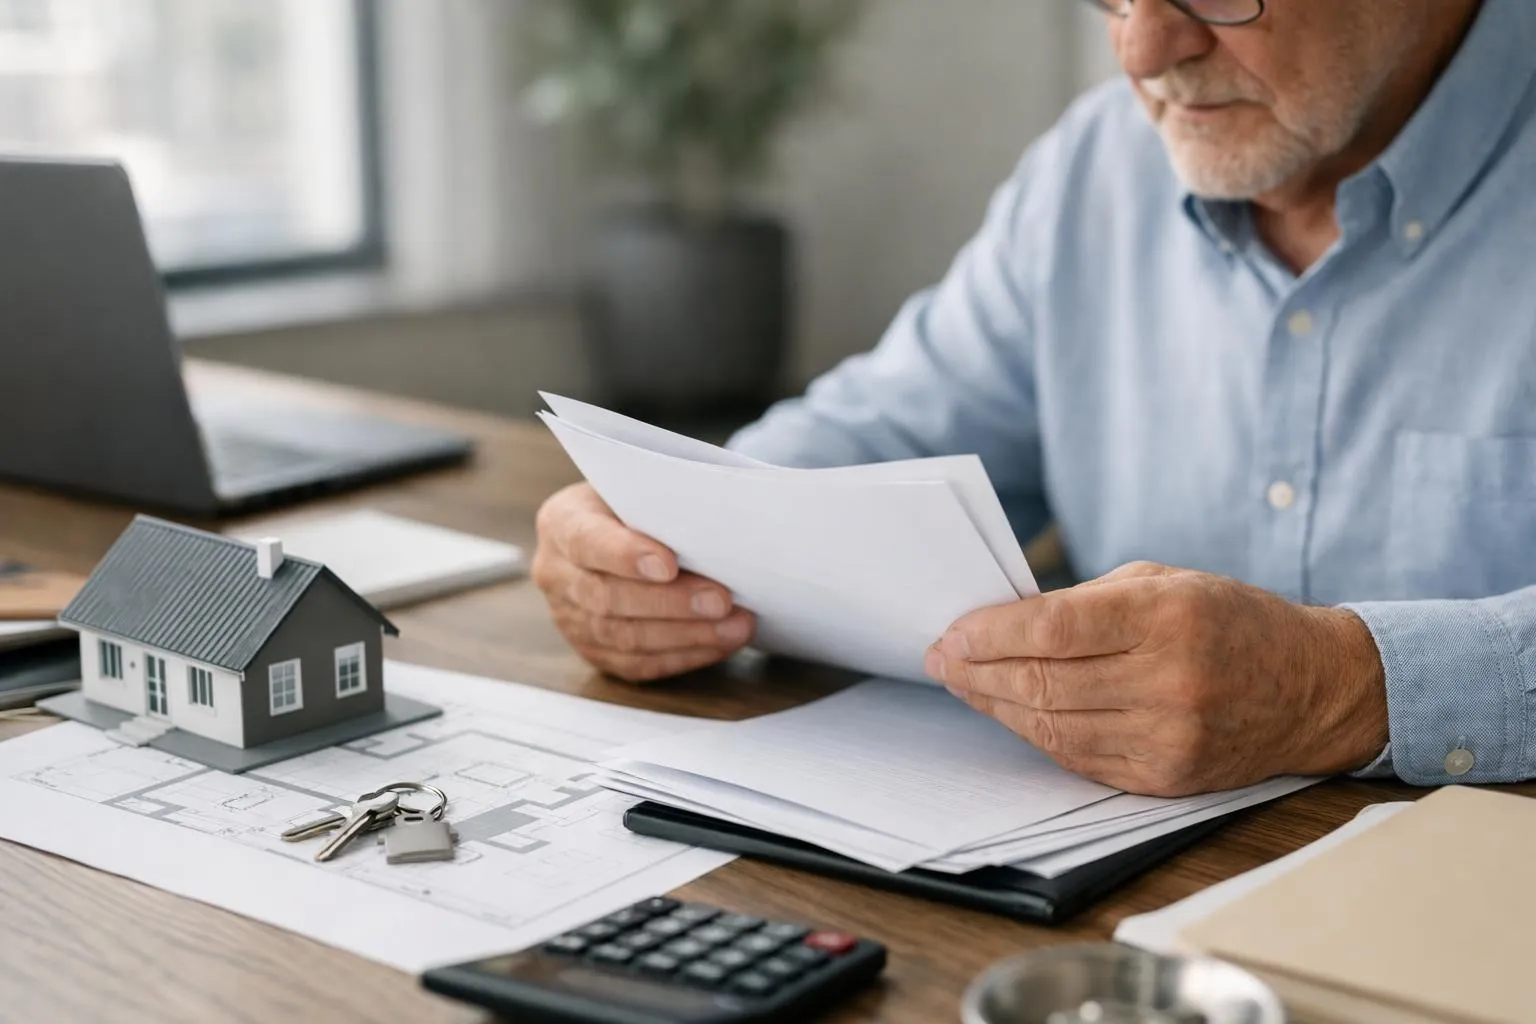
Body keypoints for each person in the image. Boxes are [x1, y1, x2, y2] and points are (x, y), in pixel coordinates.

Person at [533, 0, 1536, 796]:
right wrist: (664, 529)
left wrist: (1341, 687)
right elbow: (893, 426)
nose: (1143, 51)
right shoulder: (1097, 166)